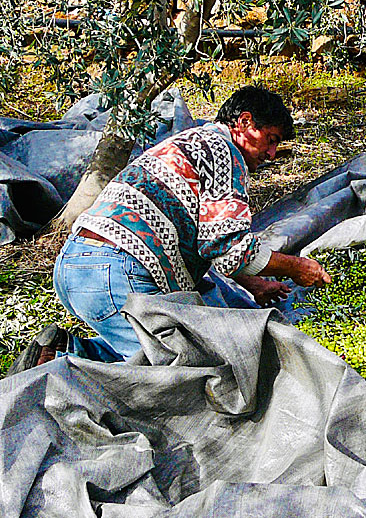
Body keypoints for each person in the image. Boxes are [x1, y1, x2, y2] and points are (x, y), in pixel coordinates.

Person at [10, 85, 331, 372]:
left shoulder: (194, 143)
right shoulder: (225, 153)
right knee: (184, 370)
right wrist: (296, 267)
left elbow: (208, 242)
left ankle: (58, 354)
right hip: (115, 270)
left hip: (79, 266)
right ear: (245, 123)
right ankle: (61, 369)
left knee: (156, 355)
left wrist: (254, 284)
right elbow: (231, 249)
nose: (272, 154)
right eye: (271, 140)